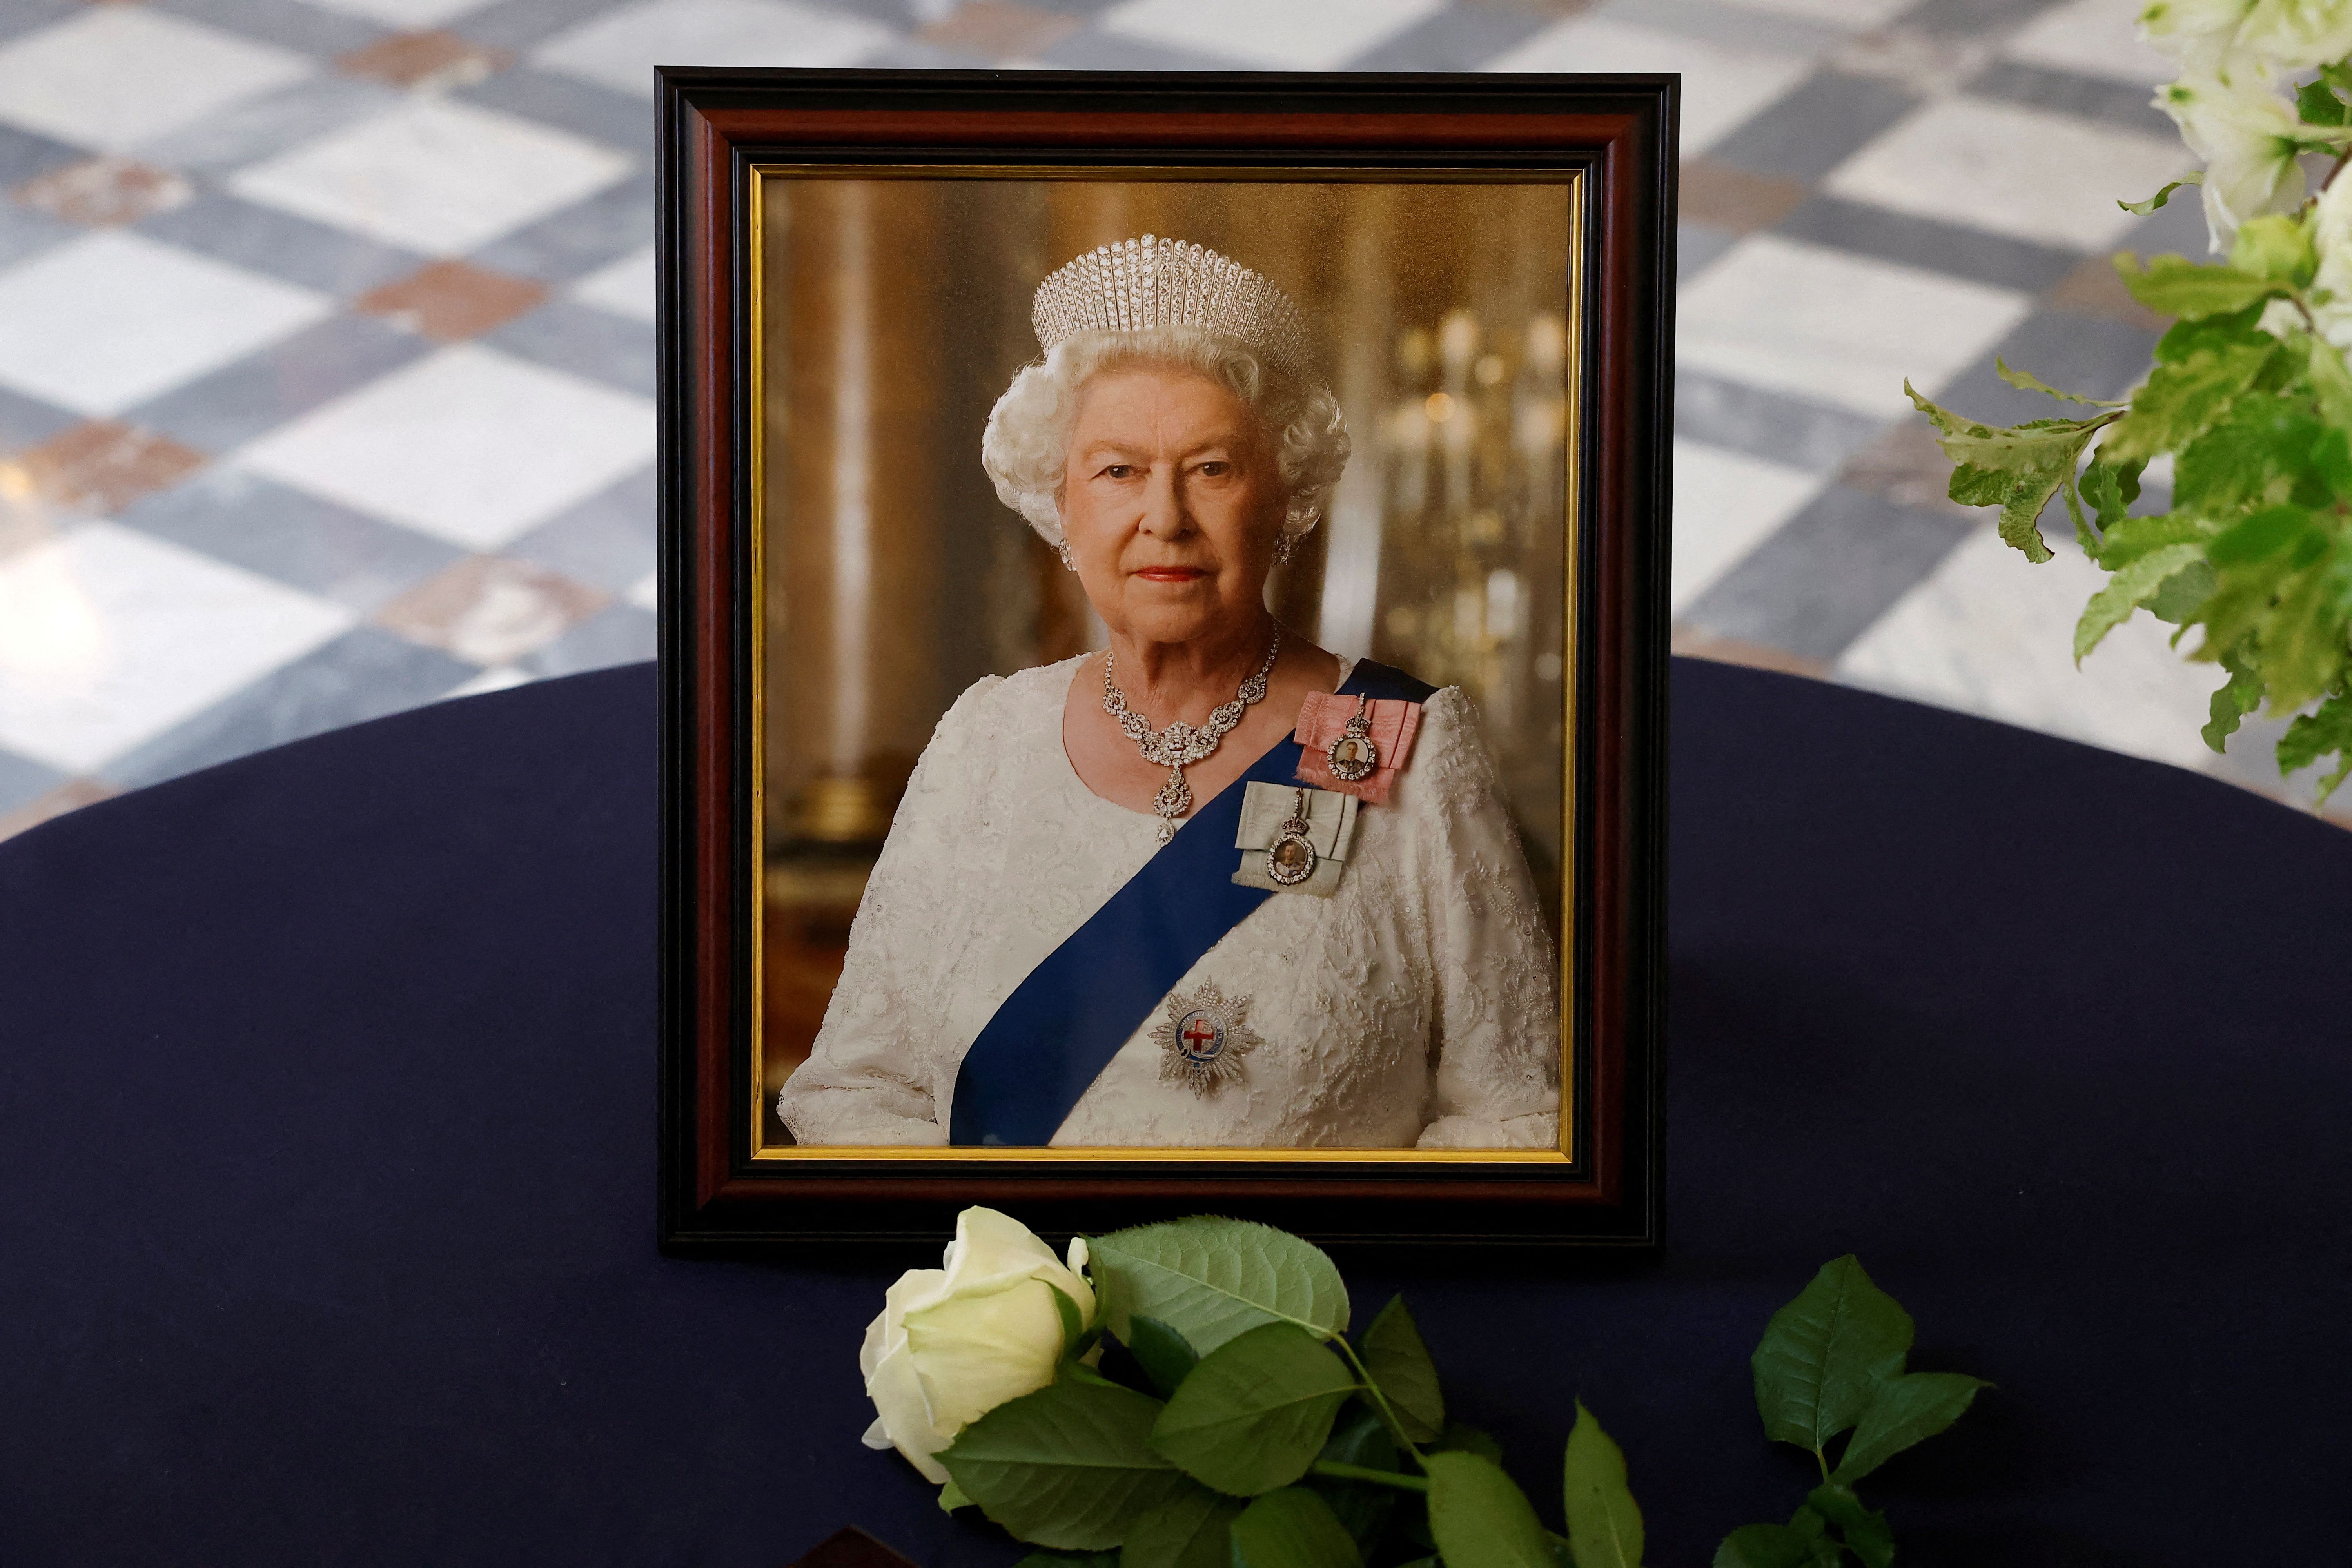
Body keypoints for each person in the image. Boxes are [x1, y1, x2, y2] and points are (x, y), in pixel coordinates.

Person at [778, 236, 1559, 1149]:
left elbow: (1517, 1117)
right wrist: (1012, 1279)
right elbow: (854, 1090)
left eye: (1213, 469)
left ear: (1284, 502)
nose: (1166, 517)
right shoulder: (984, 738)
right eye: (1118, 470)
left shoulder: (1400, 741)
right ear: (1060, 505)